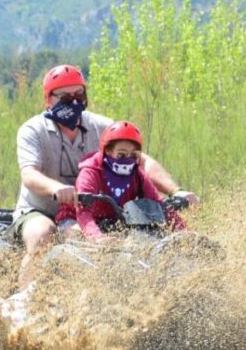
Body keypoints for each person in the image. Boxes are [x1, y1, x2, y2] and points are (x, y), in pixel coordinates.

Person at [11, 64, 198, 283]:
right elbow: (29, 175)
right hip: (41, 209)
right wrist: (56, 188)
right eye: (64, 96)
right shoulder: (32, 130)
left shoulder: (101, 126)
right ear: (49, 98)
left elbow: (142, 161)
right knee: (43, 235)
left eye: (78, 93)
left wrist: (177, 191)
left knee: (136, 241)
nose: (73, 100)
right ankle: (25, 302)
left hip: (96, 210)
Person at [55, 120, 185, 241]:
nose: (127, 159)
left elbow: (160, 205)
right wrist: (97, 238)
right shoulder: (90, 172)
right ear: (108, 150)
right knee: (79, 236)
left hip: (113, 221)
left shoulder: (137, 174)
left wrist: (184, 232)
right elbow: (83, 211)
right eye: (121, 154)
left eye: (133, 155)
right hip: (76, 219)